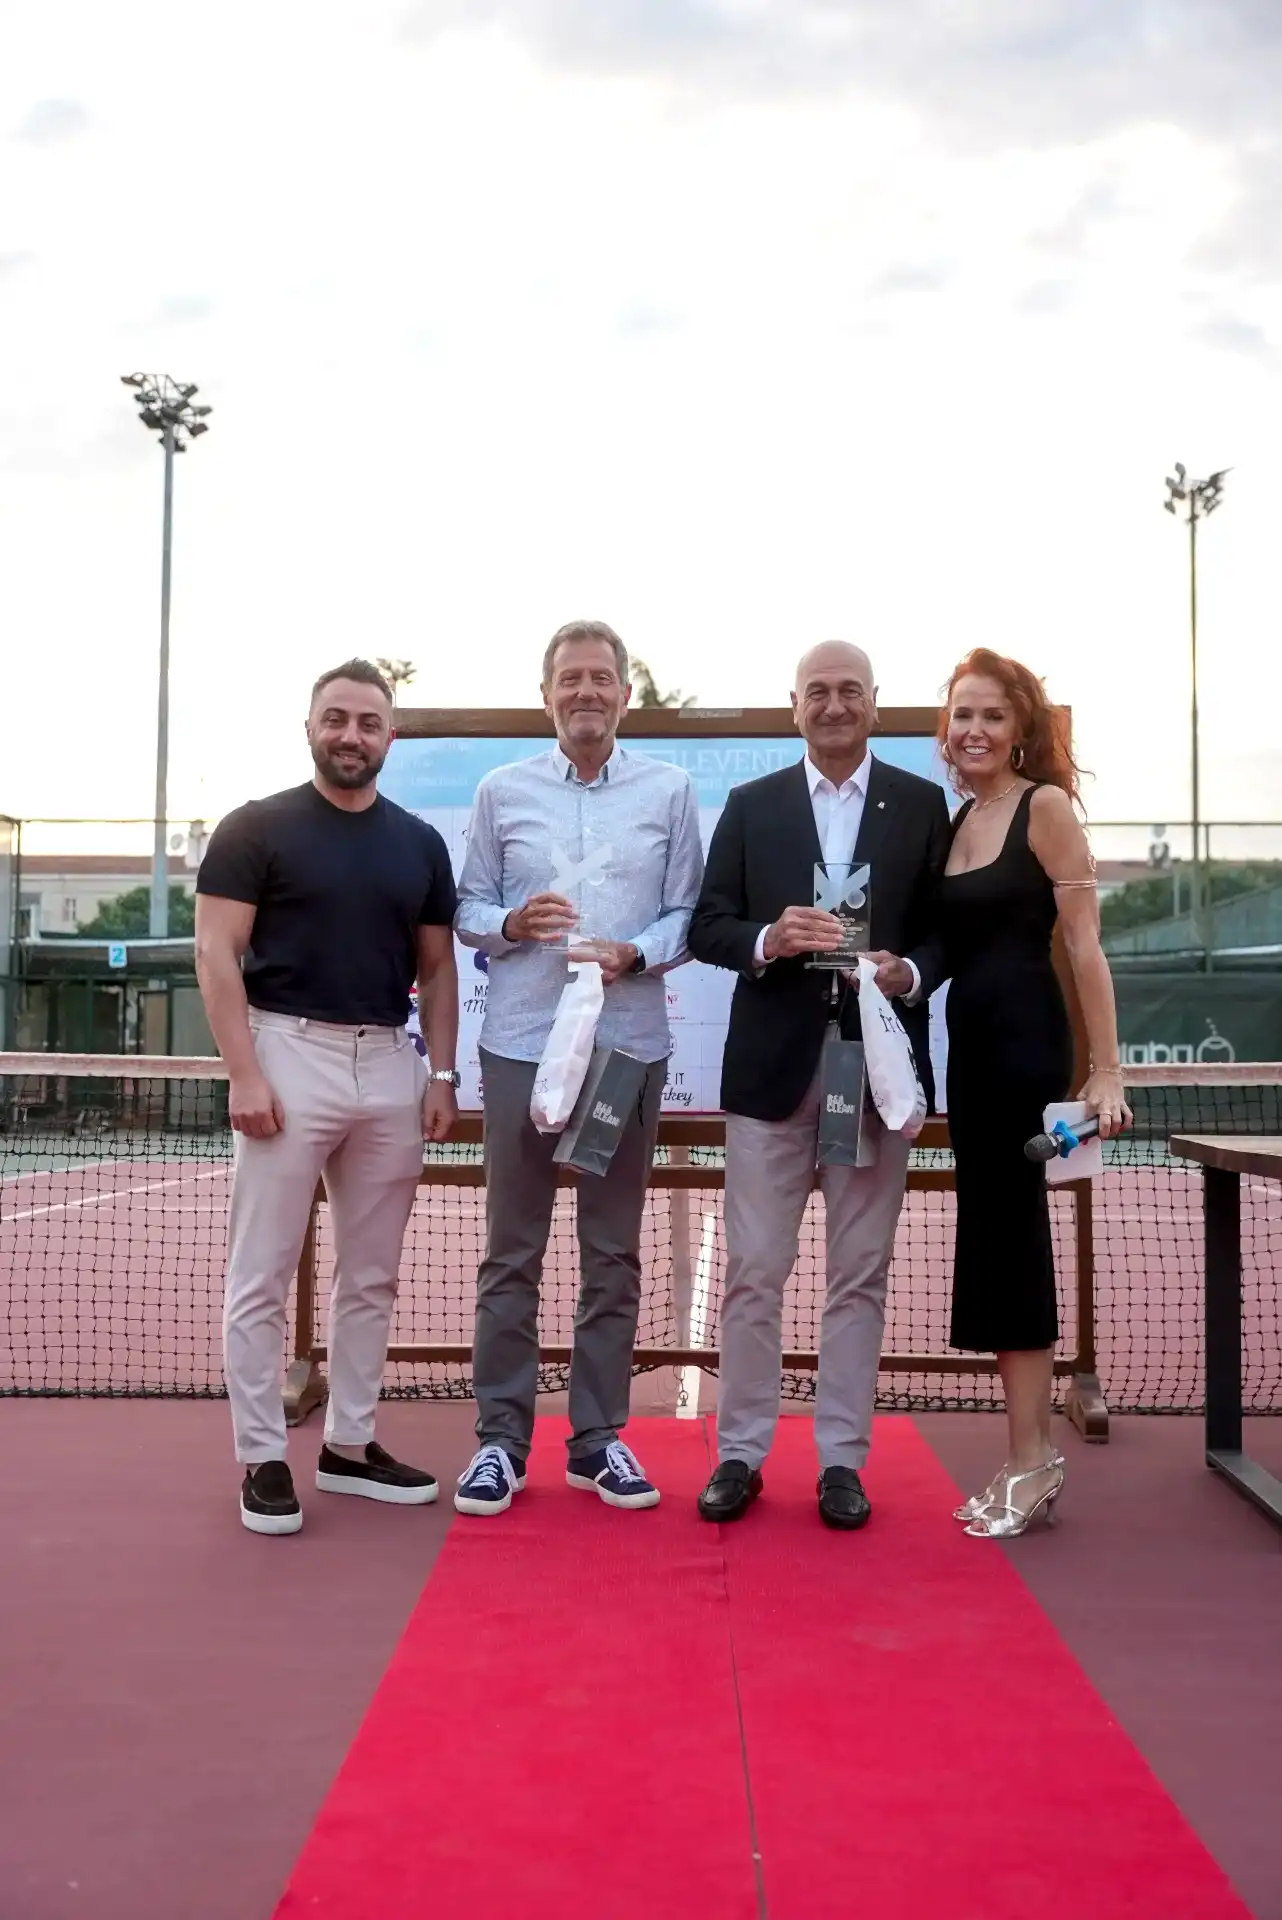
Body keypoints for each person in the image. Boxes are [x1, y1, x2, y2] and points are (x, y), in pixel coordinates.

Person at [687, 641, 950, 1530]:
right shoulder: (752, 804)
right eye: (817, 693)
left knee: (859, 1275)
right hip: (771, 1076)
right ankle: (740, 1454)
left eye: (849, 691)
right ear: (794, 705)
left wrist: (908, 972)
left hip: (872, 1076)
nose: (834, 706)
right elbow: (709, 925)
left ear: (874, 702)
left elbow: (947, 934)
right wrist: (769, 939)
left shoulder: (920, 805)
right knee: (754, 1274)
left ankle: (842, 1461)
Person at [195, 659, 460, 1536]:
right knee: (261, 1273)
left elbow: (438, 969)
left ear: (391, 736)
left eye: (368, 722)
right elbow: (215, 953)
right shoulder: (254, 828)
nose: (352, 735)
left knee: (372, 1275)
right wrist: (245, 1073)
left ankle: (350, 1444)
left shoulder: (419, 843)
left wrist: (442, 1075)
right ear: (310, 727)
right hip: (286, 1050)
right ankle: (263, 1456)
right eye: (336, 719)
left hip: (389, 1062)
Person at [452, 619, 703, 1516]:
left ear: (625, 694)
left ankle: (598, 1441)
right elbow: (467, 906)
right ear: (547, 693)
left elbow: (688, 914)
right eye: (571, 678)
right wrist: (511, 924)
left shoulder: (670, 791)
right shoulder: (500, 791)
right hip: (520, 1043)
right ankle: (500, 1442)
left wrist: (636, 952)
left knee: (613, 1253)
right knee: (511, 1251)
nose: (586, 691)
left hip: (626, 1048)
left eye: (602, 678)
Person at [938, 647, 1130, 1539]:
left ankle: (1034, 1460)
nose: (974, 730)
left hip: (1025, 1050)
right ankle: (1025, 1453)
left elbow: (1085, 944)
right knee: (991, 1241)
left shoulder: (1043, 808)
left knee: (1015, 1244)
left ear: (1020, 730)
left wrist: (1106, 1068)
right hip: (970, 1057)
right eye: (962, 715)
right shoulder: (959, 819)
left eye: (992, 716)